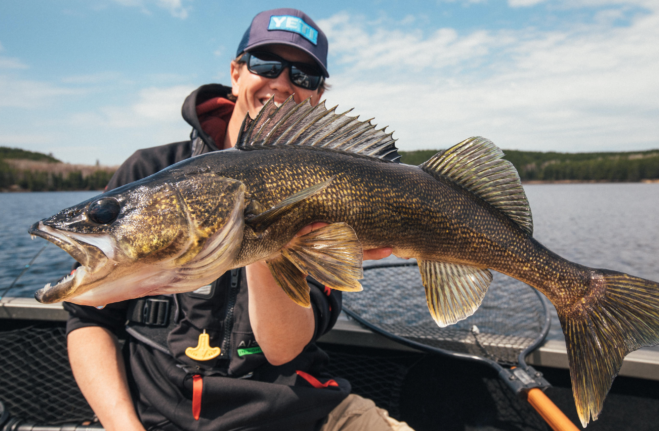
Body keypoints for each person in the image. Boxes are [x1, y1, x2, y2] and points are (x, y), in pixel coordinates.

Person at [64, 8, 413, 431]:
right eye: (266, 64)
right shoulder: (149, 171)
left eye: (304, 76)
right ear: (236, 72)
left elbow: (284, 349)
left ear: (318, 96)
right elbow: (88, 320)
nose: (282, 83)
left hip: (299, 414)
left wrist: (262, 220)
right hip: (157, 418)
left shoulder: (332, 188)